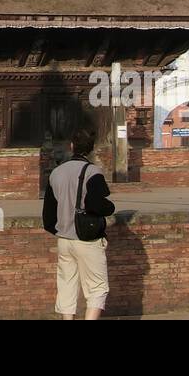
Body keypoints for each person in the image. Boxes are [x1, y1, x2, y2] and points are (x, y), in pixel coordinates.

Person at [42, 125, 115, 320]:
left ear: (71, 146)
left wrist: (60, 229)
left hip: (64, 240)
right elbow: (97, 204)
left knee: (66, 284)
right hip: (87, 239)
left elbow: (48, 216)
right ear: (90, 149)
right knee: (97, 287)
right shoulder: (93, 172)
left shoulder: (56, 173)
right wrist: (110, 209)